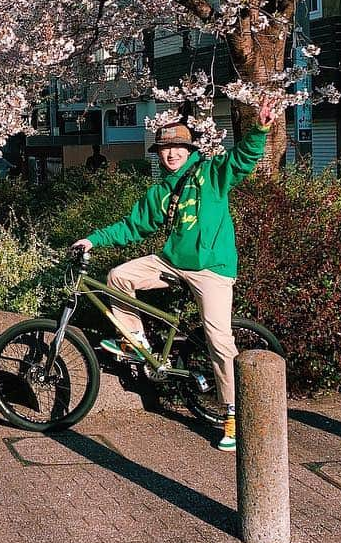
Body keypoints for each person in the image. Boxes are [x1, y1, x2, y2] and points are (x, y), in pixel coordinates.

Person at [73, 97, 277, 452]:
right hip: (172, 263)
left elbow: (243, 159)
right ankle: (137, 342)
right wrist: (93, 239)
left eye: (177, 148)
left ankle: (232, 414)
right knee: (119, 276)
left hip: (212, 270)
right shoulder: (161, 192)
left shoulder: (210, 174)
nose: (171, 155)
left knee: (218, 339)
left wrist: (260, 128)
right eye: (165, 150)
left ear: (189, 150)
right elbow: (132, 226)